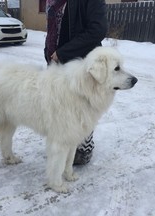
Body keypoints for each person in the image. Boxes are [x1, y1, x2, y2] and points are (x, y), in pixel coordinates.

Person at [44, 0, 108, 165]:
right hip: (57, 63)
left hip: (81, 63)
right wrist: (50, 53)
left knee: (83, 109)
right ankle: (62, 145)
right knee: (61, 108)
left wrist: (62, 52)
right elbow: (54, 30)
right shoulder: (54, 2)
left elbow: (97, 30)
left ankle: (82, 149)